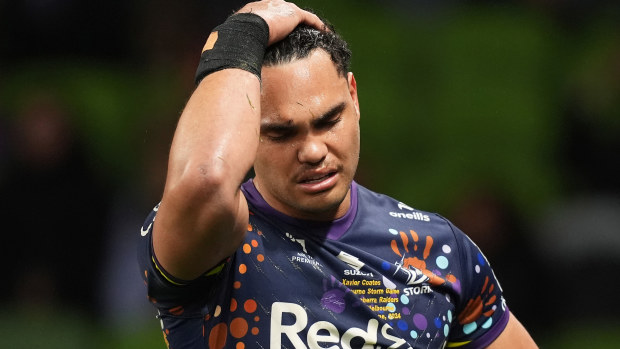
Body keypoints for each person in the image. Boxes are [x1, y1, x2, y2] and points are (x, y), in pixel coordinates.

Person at [138, 1, 538, 348]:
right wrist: (241, 34)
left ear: (354, 96)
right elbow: (205, 179)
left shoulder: (440, 250)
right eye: (281, 132)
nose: (313, 151)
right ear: (247, 132)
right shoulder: (219, 239)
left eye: (329, 121)